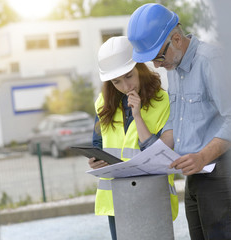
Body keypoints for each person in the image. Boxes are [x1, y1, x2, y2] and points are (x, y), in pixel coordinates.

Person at [127, 3, 231, 240]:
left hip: (221, 172)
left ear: (177, 39)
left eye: (159, 57)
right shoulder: (175, 67)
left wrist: (203, 156)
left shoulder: (211, 61)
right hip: (195, 174)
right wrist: (155, 153)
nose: (157, 66)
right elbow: (176, 121)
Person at [88, 36, 178, 240]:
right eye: (116, 81)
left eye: (128, 76)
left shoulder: (163, 102)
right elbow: (97, 144)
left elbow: (159, 155)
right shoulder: (104, 102)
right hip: (115, 198)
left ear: (140, 68)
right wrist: (96, 161)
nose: (124, 85)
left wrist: (137, 115)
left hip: (151, 196)